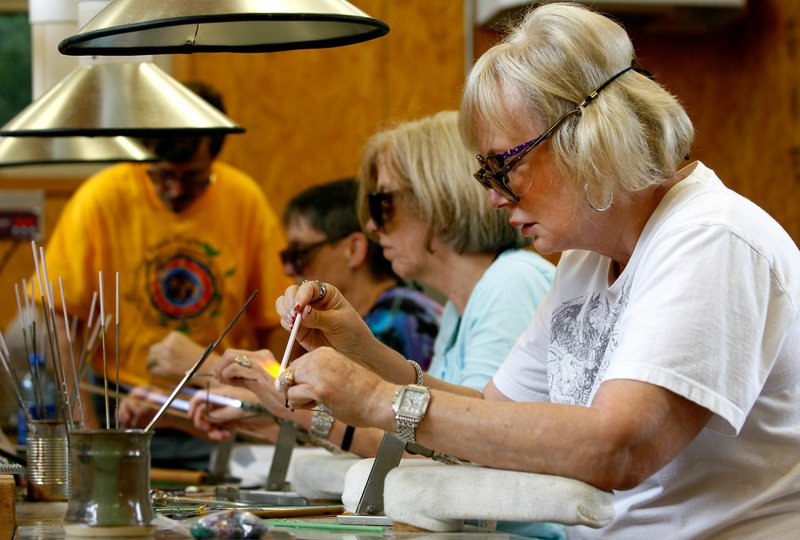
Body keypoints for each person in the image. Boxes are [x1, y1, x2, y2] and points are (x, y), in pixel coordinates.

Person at [231, 3, 799, 538]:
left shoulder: (711, 238)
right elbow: (490, 421)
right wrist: (361, 350)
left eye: (504, 167)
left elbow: (619, 448)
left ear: (588, 134)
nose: (493, 200)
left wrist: (380, 401)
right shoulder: (586, 258)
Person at [202, 112, 560, 538]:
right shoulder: (458, 310)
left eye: (382, 204)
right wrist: (279, 405)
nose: (371, 226)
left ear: (437, 198)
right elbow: (425, 440)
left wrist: (294, 405)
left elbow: (472, 451)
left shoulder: (510, 281)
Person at [42, 81, 293, 468]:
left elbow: (274, 323)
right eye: (159, 176)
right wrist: (85, 438)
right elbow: (60, 323)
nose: (175, 190)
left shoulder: (244, 200)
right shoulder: (100, 199)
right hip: (117, 400)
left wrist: (266, 403)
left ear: (215, 155)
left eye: (193, 177)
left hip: (216, 400)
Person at [281, 178, 441, 370]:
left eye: (300, 253)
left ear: (354, 249)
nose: (289, 269)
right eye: (287, 257)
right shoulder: (380, 314)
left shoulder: (398, 321)